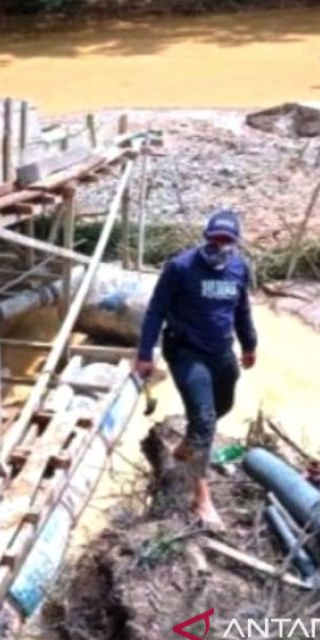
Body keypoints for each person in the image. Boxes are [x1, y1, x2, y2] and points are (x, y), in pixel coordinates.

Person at [135, 211, 257, 529]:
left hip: (221, 351)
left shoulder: (239, 268)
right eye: (213, 239)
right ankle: (201, 500)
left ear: (235, 243)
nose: (219, 246)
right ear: (205, 237)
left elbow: (242, 309)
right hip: (186, 352)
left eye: (225, 241)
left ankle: (189, 445)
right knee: (204, 421)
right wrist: (145, 353)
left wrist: (249, 345)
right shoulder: (180, 267)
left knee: (223, 407)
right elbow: (156, 310)